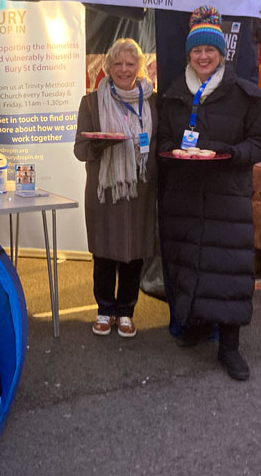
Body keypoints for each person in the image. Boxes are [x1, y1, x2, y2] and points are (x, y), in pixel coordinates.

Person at [158, 6, 261, 381]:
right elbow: (162, 137)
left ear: (221, 53)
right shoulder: (175, 95)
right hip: (184, 196)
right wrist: (170, 151)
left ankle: (230, 346)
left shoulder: (243, 94)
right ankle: (194, 324)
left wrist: (231, 155)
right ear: (189, 54)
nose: (203, 57)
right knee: (189, 261)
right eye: (197, 51)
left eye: (210, 50)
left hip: (227, 196)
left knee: (228, 268)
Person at [74, 38, 157, 338]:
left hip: (140, 190)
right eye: (118, 63)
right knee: (105, 251)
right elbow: (80, 149)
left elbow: (159, 145)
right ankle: (105, 308)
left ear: (139, 67)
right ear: (108, 67)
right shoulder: (91, 102)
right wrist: (99, 145)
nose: (124, 69)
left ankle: (126, 311)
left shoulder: (152, 102)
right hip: (105, 189)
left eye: (130, 64)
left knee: (134, 252)